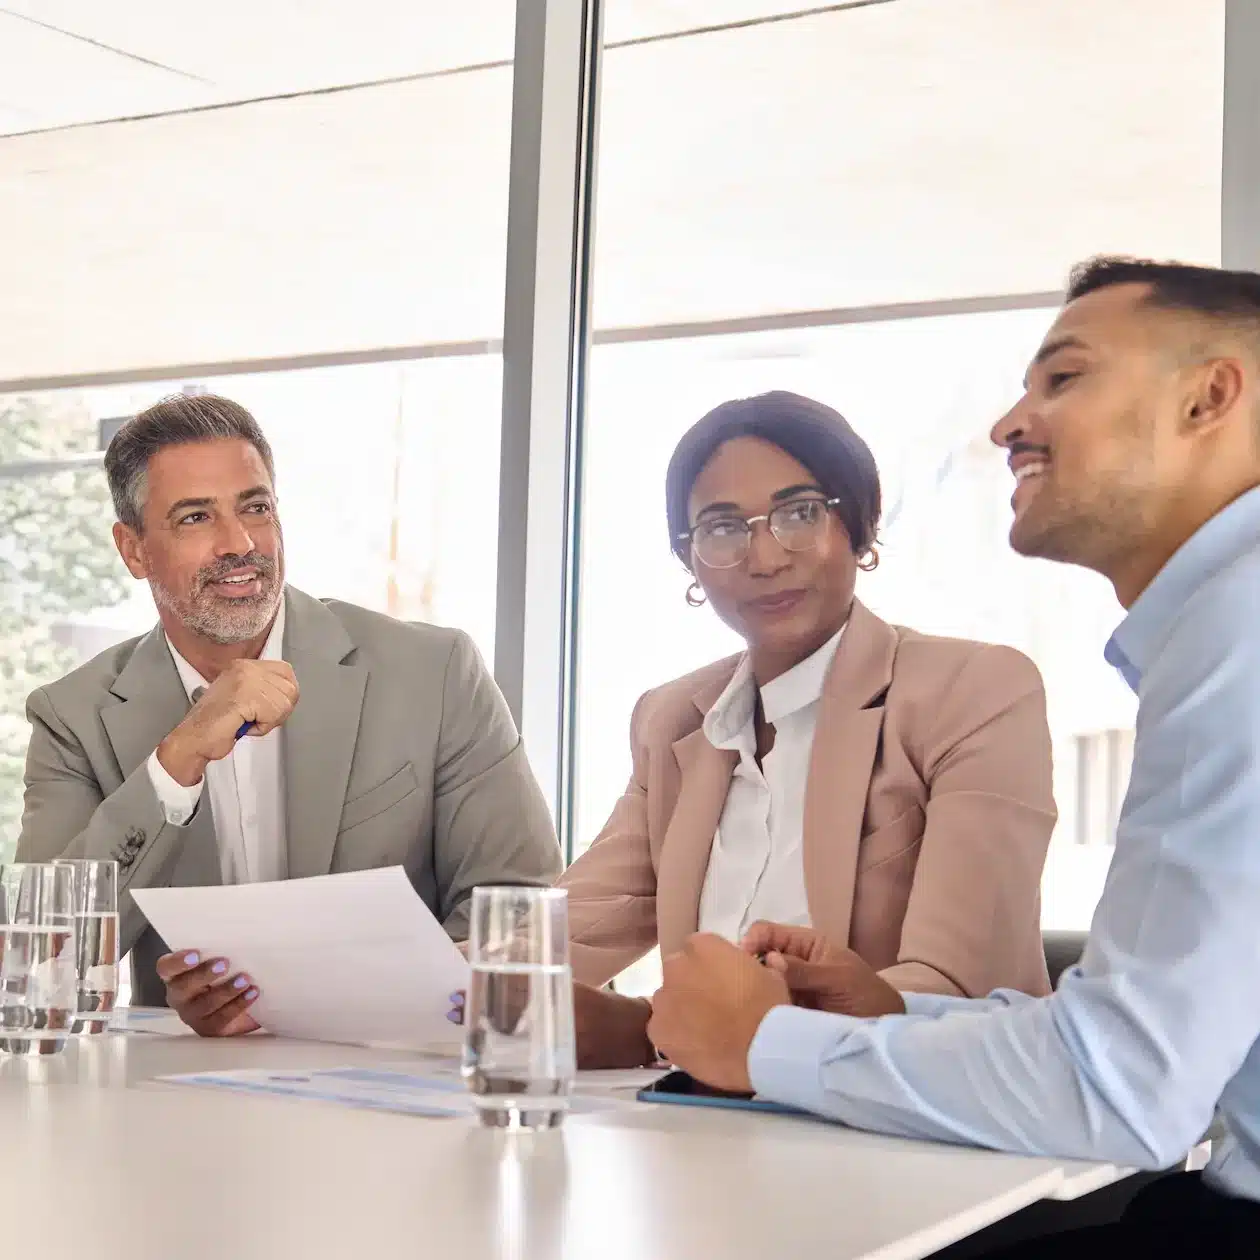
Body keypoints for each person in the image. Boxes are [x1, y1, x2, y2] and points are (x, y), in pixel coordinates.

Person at [647, 258, 1260, 1257]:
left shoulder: (1237, 634)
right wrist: (886, 1014)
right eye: (722, 528)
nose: (1010, 424)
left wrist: (766, 1043)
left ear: (1210, 398)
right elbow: (1160, 1047)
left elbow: (1126, 1088)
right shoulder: (673, 717)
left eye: (1064, 378)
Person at [17, 394, 562, 1034]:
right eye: (196, 517)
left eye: (256, 507)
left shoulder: (434, 672)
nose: (240, 543)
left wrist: (335, 997)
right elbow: (42, 958)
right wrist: (177, 759)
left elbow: (521, 909)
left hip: (401, 1069)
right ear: (133, 550)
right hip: (182, 1081)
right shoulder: (73, 716)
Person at [547, 389, 1057, 1068]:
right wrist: (428, 980)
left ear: (860, 528)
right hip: (702, 1114)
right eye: (723, 527)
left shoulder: (970, 690)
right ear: (690, 561)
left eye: (799, 513)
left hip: (900, 1110)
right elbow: (551, 939)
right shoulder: (674, 721)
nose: (764, 558)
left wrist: (654, 1028)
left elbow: (957, 988)